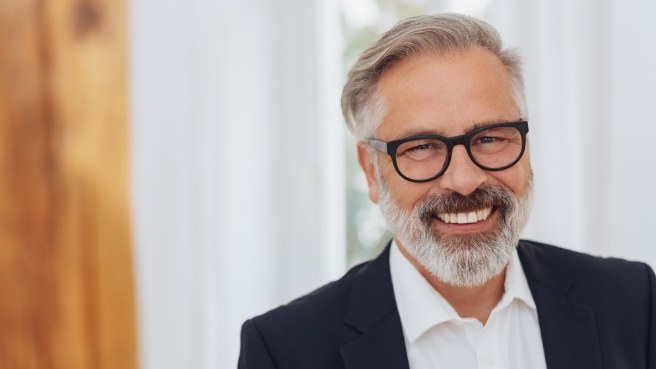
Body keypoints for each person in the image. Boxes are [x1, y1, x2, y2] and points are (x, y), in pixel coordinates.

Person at [238, 13, 656, 369]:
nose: (464, 179)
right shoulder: (284, 351)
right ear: (371, 172)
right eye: (421, 147)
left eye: (491, 138)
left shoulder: (631, 302)